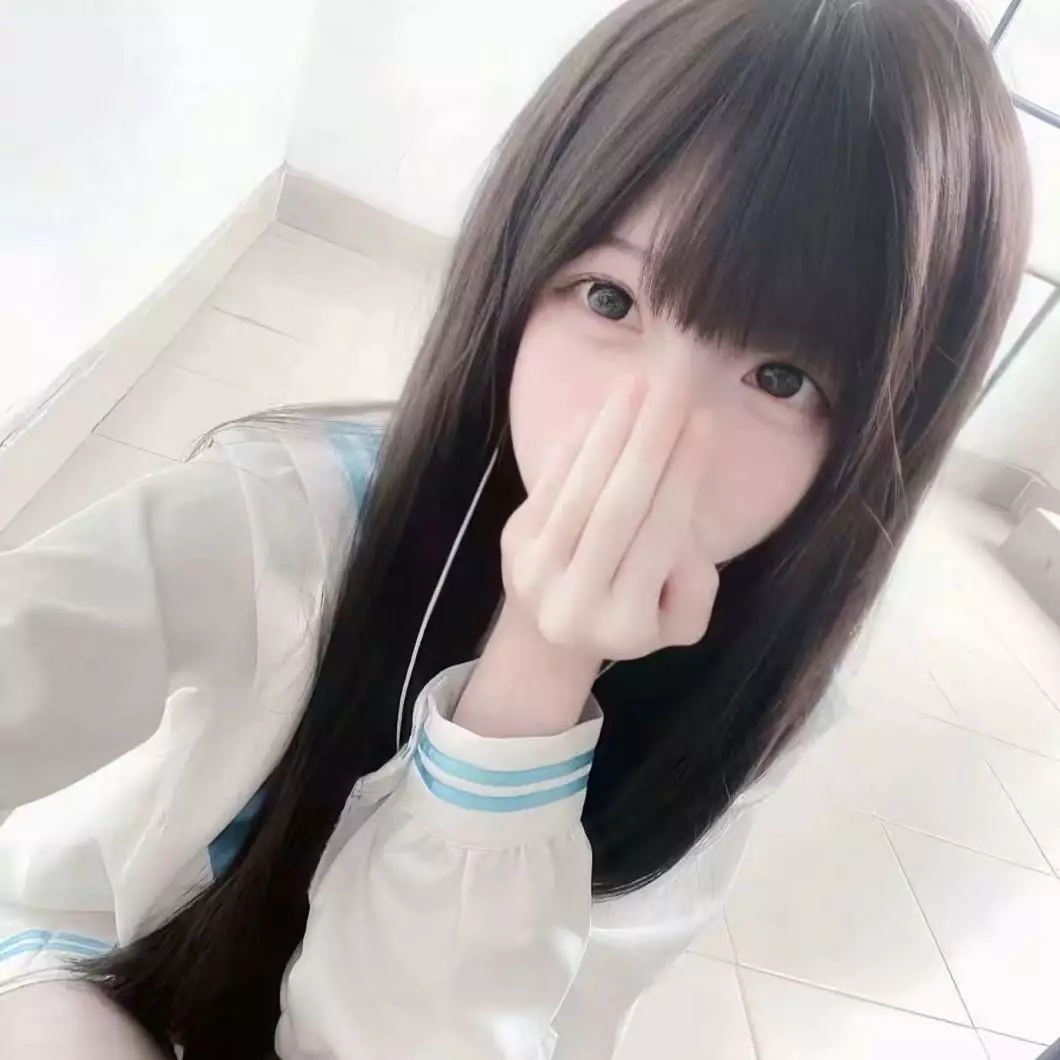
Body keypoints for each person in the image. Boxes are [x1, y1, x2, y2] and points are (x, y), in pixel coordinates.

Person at [0, 0, 1031, 1057]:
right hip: (117, 973)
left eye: (780, 376)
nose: (653, 433)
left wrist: (535, 678)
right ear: (521, 269)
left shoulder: (764, 696)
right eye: (610, 299)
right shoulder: (301, 511)